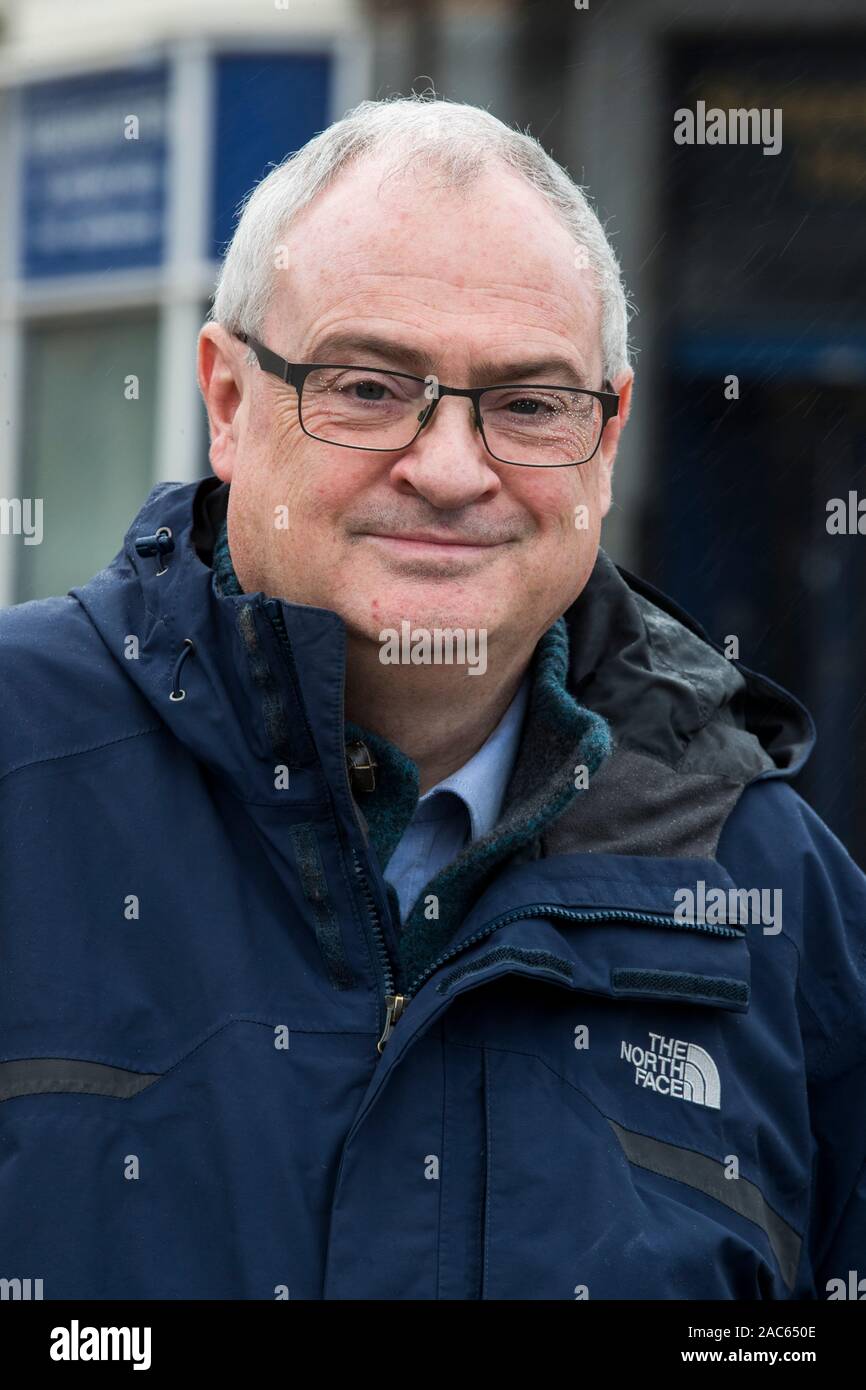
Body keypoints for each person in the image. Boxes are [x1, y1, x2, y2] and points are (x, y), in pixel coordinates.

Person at [1, 95, 864, 1301]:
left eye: (527, 403)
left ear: (605, 439)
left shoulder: (773, 891)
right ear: (228, 400)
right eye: (366, 385)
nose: (452, 469)